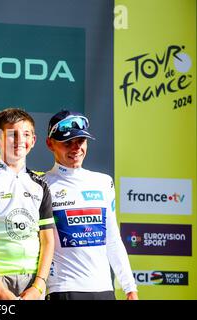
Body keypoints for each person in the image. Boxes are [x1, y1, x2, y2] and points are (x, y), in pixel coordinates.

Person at [42, 109, 138, 300]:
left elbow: (112, 239)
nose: (76, 148)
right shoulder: (41, 185)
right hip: (63, 288)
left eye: (81, 141)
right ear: (50, 144)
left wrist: (130, 288)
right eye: (67, 142)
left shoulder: (103, 182)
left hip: (103, 288)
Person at [0, 108, 55, 300]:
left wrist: (38, 286)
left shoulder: (40, 185)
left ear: (33, 140)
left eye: (25, 134)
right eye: (12, 135)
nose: (19, 141)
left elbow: (48, 240)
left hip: (31, 283)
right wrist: (0, 291)